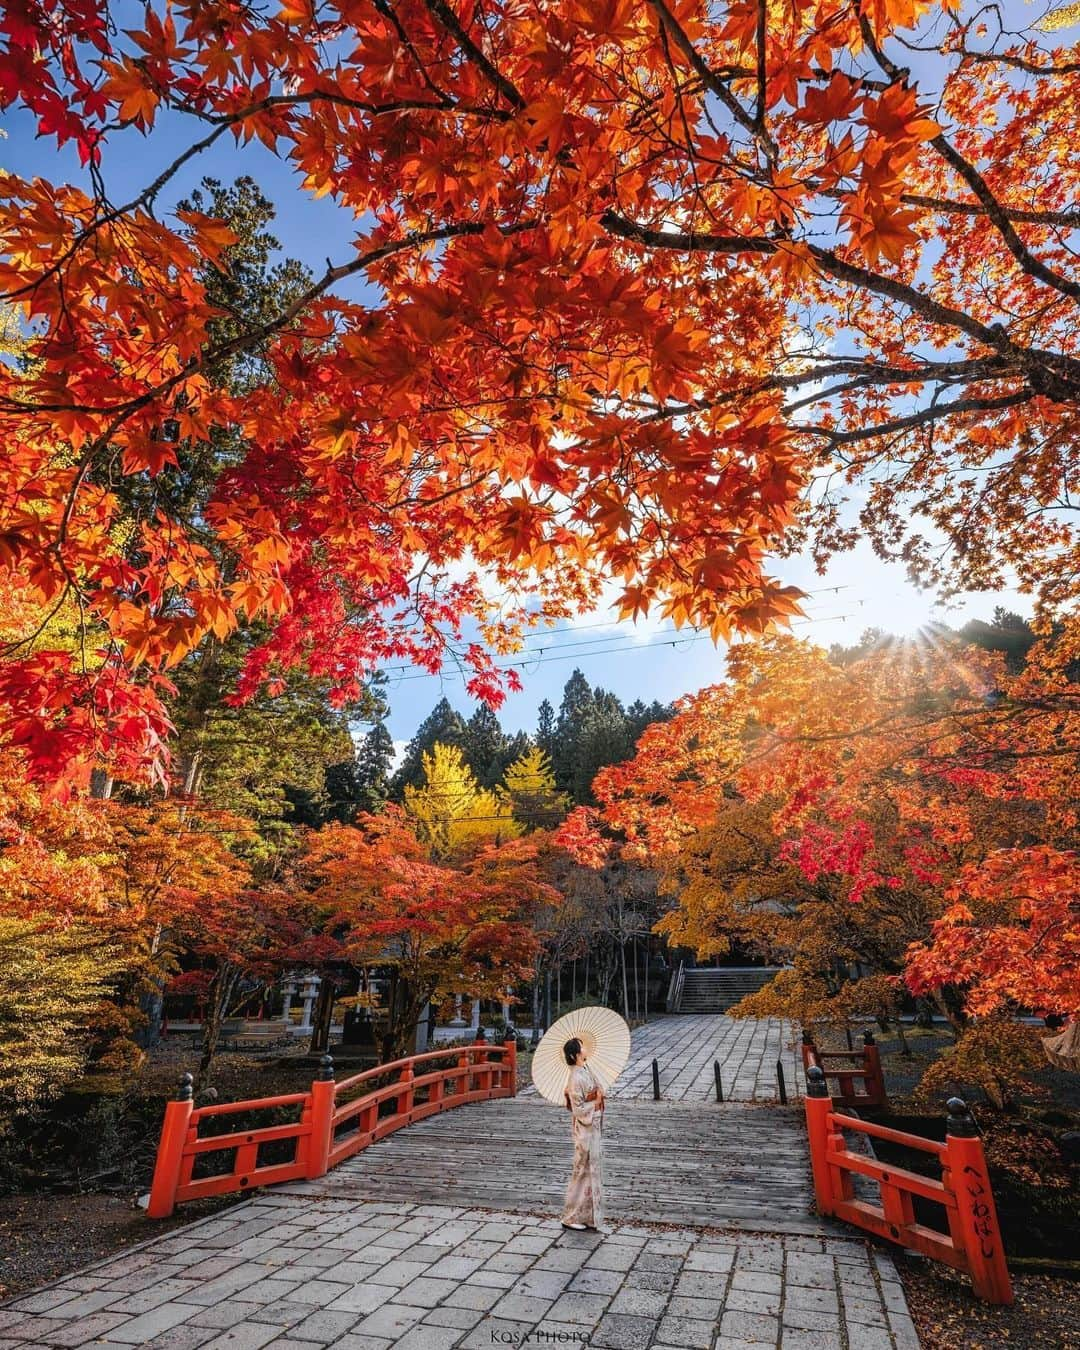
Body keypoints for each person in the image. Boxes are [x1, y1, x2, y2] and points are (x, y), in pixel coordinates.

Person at [560, 1036, 607, 1232]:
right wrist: (595, 1103)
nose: (585, 1048)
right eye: (582, 1047)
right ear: (574, 1054)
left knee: (591, 1172)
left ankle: (587, 1215)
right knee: (581, 1172)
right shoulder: (575, 1078)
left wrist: (599, 1094)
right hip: (584, 1128)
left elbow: (596, 1090)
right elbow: (578, 1110)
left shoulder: (586, 1070)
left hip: (592, 1126)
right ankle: (570, 1217)